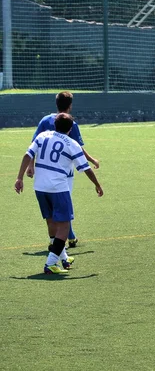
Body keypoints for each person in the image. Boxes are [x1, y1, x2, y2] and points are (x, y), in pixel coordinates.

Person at [15, 113, 104, 275]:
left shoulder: (42, 136)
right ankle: (50, 263)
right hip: (58, 188)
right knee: (64, 225)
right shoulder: (72, 144)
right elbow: (86, 169)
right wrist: (97, 185)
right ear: (70, 129)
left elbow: (27, 155)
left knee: (51, 222)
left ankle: (63, 257)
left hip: (40, 187)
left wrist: (19, 178)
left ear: (54, 125)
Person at [27, 91, 100, 249]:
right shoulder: (70, 123)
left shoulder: (45, 120)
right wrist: (91, 159)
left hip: (44, 172)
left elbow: (33, 144)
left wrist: (30, 165)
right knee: (62, 206)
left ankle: (58, 241)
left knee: (53, 209)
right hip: (63, 173)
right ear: (70, 105)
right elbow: (76, 147)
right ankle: (68, 238)